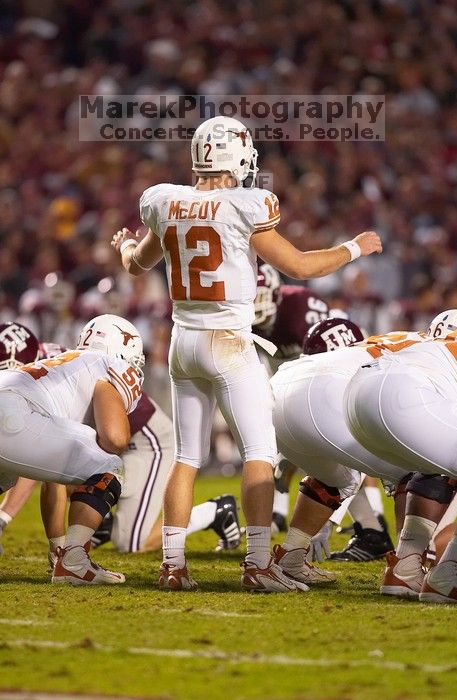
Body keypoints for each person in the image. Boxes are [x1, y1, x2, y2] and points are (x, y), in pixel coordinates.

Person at [111, 115, 382, 592]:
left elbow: (136, 265)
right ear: (236, 156)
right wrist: (353, 249)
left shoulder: (164, 201)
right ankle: (259, 564)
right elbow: (298, 264)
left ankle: (173, 565)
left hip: (183, 341)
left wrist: (127, 246)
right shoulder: (244, 204)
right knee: (260, 452)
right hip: (230, 342)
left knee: (187, 457)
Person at [0, 326, 240, 558]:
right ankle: (92, 534)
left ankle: (214, 512)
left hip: (148, 440)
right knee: (81, 467)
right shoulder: (72, 364)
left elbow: (112, 441)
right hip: (108, 436)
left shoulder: (95, 367)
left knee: (132, 541)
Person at [0, 313, 144, 585]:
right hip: (13, 415)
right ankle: (74, 560)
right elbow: (114, 438)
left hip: (10, 398)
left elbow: (52, 475)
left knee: (7, 474)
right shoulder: (109, 364)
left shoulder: (68, 363)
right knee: (109, 465)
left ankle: (66, 555)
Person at [345, 309, 457, 601]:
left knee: (436, 459)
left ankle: (406, 566)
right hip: (407, 395)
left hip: (356, 399)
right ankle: (450, 573)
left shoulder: (426, 345)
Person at [253, 263, 330, 532]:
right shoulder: (245, 320)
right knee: (278, 451)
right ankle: (277, 515)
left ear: (275, 294)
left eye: (260, 297)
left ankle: (371, 523)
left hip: (327, 372)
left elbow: (328, 353)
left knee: (335, 455)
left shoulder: (299, 305)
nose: (255, 306)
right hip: (288, 383)